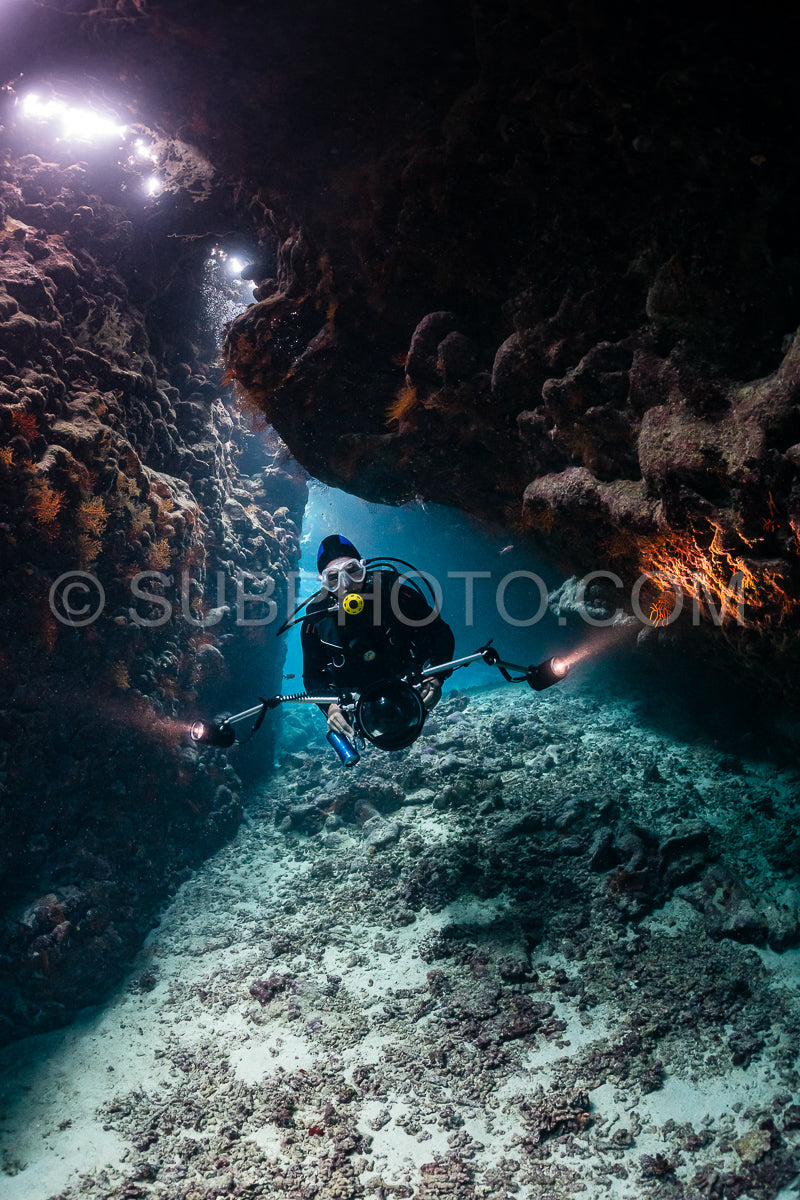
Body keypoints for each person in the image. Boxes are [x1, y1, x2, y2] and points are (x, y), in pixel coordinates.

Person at [301, 534, 455, 738]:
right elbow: (312, 676)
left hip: (409, 685)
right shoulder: (315, 622)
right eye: (333, 578)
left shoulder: (394, 593)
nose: (346, 585)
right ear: (324, 583)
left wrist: (436, 677)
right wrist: (330, 707)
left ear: (364, 568)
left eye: (352, 571)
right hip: (359, 700)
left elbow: (440, 633)